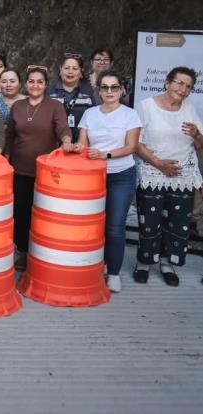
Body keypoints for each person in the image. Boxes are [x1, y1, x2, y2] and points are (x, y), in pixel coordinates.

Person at [133, 66, 203, 287]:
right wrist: (158, 164)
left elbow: (200, 145)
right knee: (149, 221)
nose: (183, 89)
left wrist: (196, 134)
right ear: (167, 82)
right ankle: (144, 263)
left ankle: (167, 264)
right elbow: (136, 142)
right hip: (153, 170)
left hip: (183, 174)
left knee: (177, 223)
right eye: (179, 83)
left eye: (188, 86)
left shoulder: (190, 108)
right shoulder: (146, 106)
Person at [77, 70, 141, 293]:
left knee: (114, 227)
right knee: (92, 226)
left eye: (114, 87)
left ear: (121, 90)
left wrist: (106, 155)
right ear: (99, 90)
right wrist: (77, 149)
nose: (110, 91)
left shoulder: (130, 114)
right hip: (92, 177)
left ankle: (113, 273)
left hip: (121, 175)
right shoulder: (90, 114)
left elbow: (131, 146)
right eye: (105, 87)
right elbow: (82, 144)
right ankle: (96, 266)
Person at [5, 65, 73, 270]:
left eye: (40, 82)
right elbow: (10, 136)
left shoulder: (54, 106)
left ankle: (44, 253)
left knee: (45, 213)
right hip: (19, 169)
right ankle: (24, 252)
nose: (35, 85)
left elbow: (63, 127)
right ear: (26, 84)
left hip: (46, 172)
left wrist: (67, 140)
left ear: (46, 85)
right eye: (31, 81)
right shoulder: (17, 106)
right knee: (21, 213)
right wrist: (5, 159)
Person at [47, 53, 99, 141]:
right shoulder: (49, 92)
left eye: (75, 68)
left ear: (81, 72)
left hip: (83, 143)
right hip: (54, 144)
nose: (70, 71)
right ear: (60, 70)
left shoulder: (90, 92)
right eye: (66, 68)